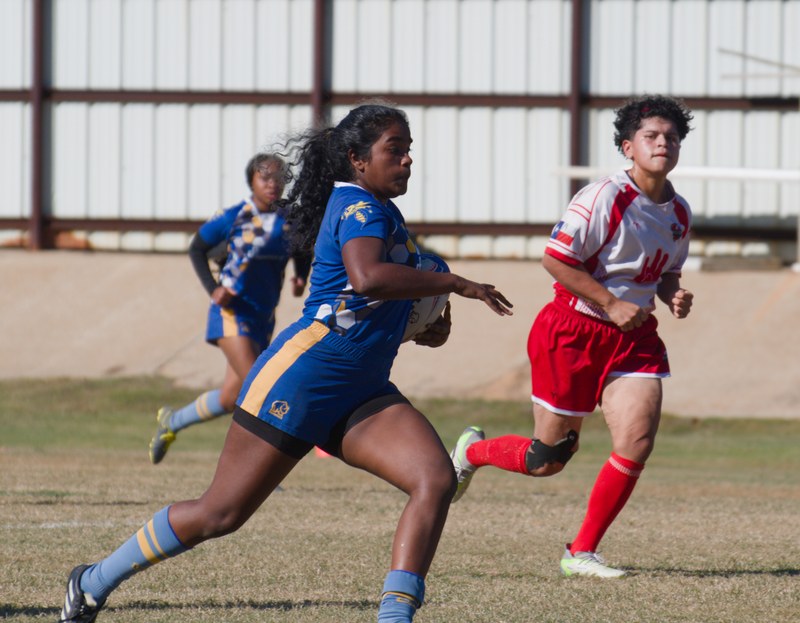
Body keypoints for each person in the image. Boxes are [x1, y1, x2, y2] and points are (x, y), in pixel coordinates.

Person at [58, 102, 513, 623]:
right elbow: (367, 278)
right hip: (301, 377)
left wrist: (422, 325)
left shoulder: (383, 211)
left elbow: (369, 299)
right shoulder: (358, 207)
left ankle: (395, 619)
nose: (408, 160)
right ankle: (91, 581)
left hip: (361, 386)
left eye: (409, 150)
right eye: (395, 150)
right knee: (220, 513)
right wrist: (454, 283)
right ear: (357, 159)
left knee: (434, 479)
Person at [449, 94, 695, 578]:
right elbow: (555, 260)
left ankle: (581, 551)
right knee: (550, 459)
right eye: (651, 136)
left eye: (671, 137)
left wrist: (674, 293)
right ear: (628, 147)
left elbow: (666, 271)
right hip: (574, 330)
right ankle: (472, 452)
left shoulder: (680, 211)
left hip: (634, 337)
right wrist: (609, 302)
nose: (662, 143)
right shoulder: (602, 197)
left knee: (637, 441)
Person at [148, 153, 310, 464]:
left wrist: (301, 274)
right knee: (259, 386)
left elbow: (302, 249)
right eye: (265, 178)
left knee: (231, 397)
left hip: (264, 316)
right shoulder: (233, 217)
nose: (273, 184)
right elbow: (197, 248)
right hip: (232, 314)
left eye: (278, 178)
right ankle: (253, 469)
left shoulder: (290, 218)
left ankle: (173, 422)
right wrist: (214, 288)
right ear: (251, 181)